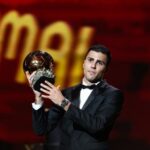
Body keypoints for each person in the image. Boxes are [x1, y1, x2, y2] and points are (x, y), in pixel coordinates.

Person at [25, 44, 124, 150]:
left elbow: (97, 126)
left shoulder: (113, 94)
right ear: (84, 63)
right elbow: (41, 129)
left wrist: (64, 103)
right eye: (90, 60)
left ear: (106, 69)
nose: (93, 66)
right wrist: (38, 97)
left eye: (99, 63)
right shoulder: (66, 93)